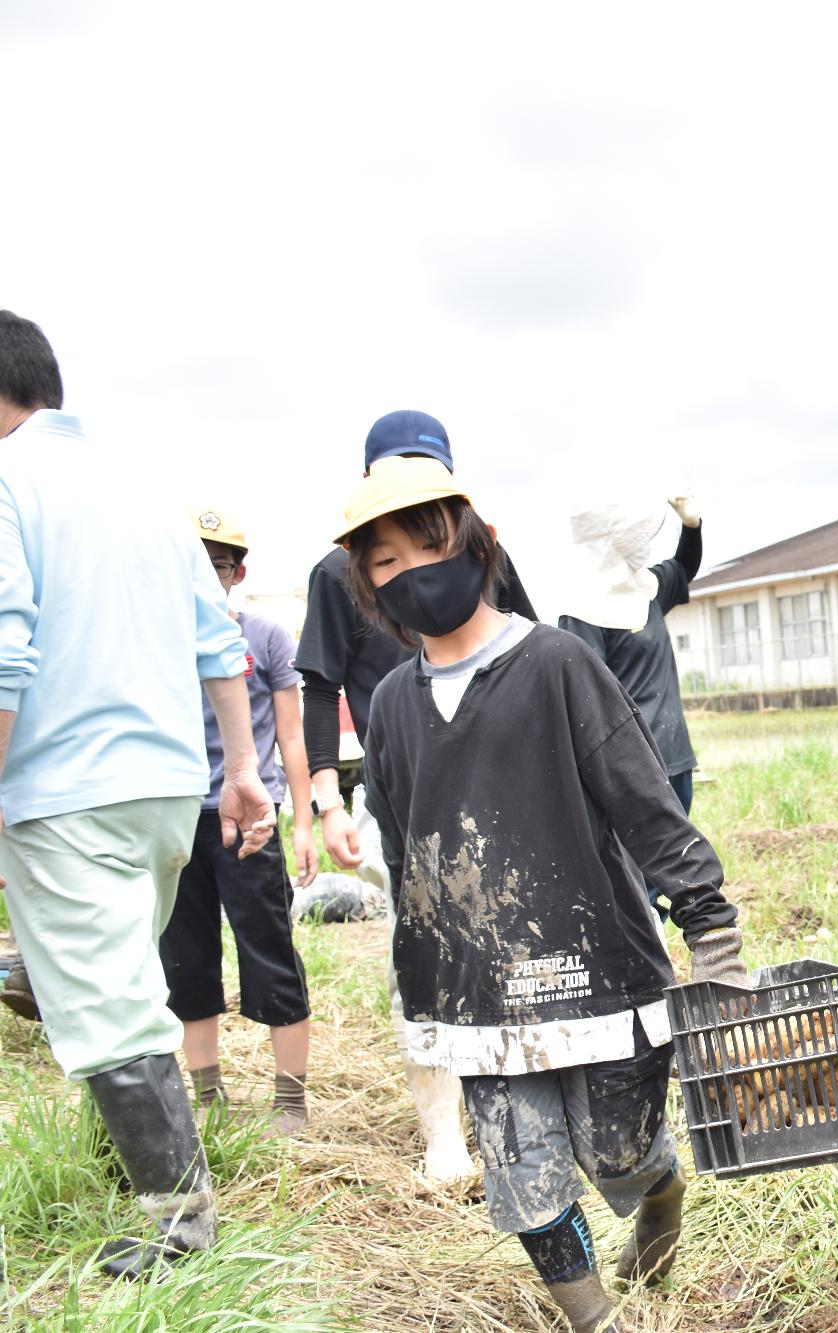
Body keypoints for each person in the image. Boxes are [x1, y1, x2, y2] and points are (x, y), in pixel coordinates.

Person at [341, 458, 750, 1332]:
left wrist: (708, 921)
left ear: (476, 544)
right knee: (525, 1179)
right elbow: (403, 850)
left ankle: (659, 1193)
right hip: (477, 989)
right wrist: (419, 984)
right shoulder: (390, 705)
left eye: (427, 544)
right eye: (382, 561)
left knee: (620, 1153)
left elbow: (641, 797)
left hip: (596, 970)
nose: (409, 570)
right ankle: (595, 1317)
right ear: (363, 585)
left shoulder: (554, 661)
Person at [0, 311, 276, 1277]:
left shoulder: (4, 481)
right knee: (114, 976)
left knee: (112, 1002)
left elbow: (3, 649)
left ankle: (181, 1227)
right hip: (166, 790)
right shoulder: (144, 489)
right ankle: (127, 1170)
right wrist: (240, 771)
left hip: (61, 788)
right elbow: (218, 643)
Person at [293, 409, 538, 1181]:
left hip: (500, 774)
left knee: (516, 930)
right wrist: (327, 798)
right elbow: (318, 682)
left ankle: (524, 1099)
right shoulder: (340, 571)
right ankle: (444, 1133)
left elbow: (527, 643)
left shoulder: (480, 549)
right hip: (406, 791)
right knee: (424, 945)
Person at [157, 507, 316, 1135]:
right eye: (192, 563)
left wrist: (302, 820)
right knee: (185, 957)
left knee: (269, 947)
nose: (204, 574)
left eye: (216, 564)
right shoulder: (157, 637)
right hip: (176, 814)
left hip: (249, 817)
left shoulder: (267, 636)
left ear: (236, 571)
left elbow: (292, 735)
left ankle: (290, 1099)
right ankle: (208, 1097)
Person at [555, 492, 703, 822]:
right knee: (634, 871)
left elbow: (683, 567)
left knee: (679, 865)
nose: (643, 544)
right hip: (632, 769)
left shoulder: (646, 590)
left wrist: (691, 526)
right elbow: (588, 702)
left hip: (675, 755)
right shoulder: (582, 611)